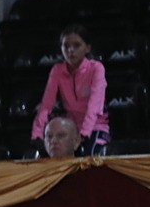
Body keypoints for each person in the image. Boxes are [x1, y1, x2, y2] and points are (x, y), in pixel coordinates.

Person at [31, 24, 110, 157]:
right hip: (69, 127)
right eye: (66, 46)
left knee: (91, 156)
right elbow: (46, 104)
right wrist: (37, 133)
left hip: (95, 126)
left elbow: (94, 106)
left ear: (87, 48)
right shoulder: (57, 70)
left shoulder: (96, 68)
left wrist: (84, 133)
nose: (70, 50)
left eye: (76, 45)